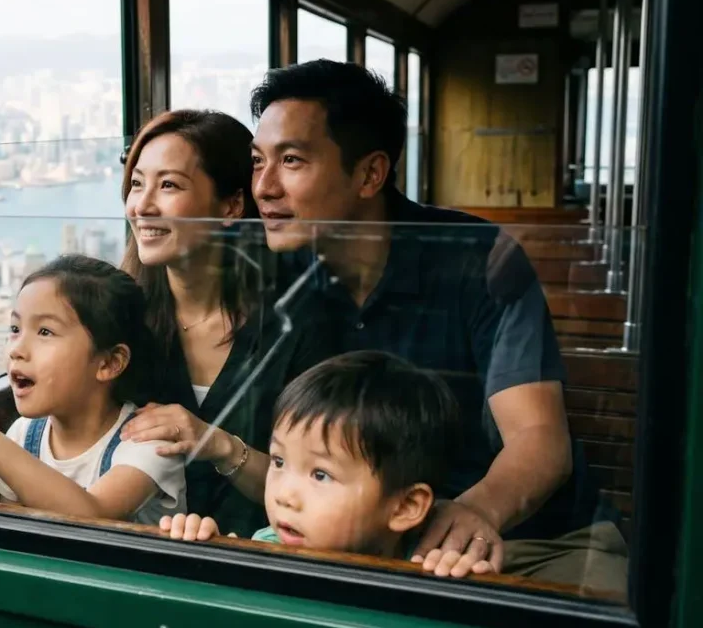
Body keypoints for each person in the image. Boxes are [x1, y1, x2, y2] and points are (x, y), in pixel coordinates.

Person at [246, 59, 624, 589]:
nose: (264, 187)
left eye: (291, 160)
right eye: (257, 161)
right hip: (357, 540)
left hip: (524, 538)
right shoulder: (274, 271)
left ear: (370, 173)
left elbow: (538, 435)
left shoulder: (478, 259)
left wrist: (479, 511)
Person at [112, 109, 335, 538]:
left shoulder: (298, 322)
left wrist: (216, 443)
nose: (142, 205)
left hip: (264, 561)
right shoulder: (122, 317)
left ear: (232, 205)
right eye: (137, 184)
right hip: (145, 555)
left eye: (169, 185)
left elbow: (317, 485)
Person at [0, 254, 185, 525]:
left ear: (109, 362)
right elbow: (17, 538)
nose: (17, 349)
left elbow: (95, 517)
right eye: (15, 330)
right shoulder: (23, 435)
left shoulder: (148, 442)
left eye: (45, 332)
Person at [159, 351, 496, 577]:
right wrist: (211, 557)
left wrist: (460, 585)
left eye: (320, 474)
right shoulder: (265, 546)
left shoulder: (430, 574)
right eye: (278, 461)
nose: (284, 497)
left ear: (405, 506)